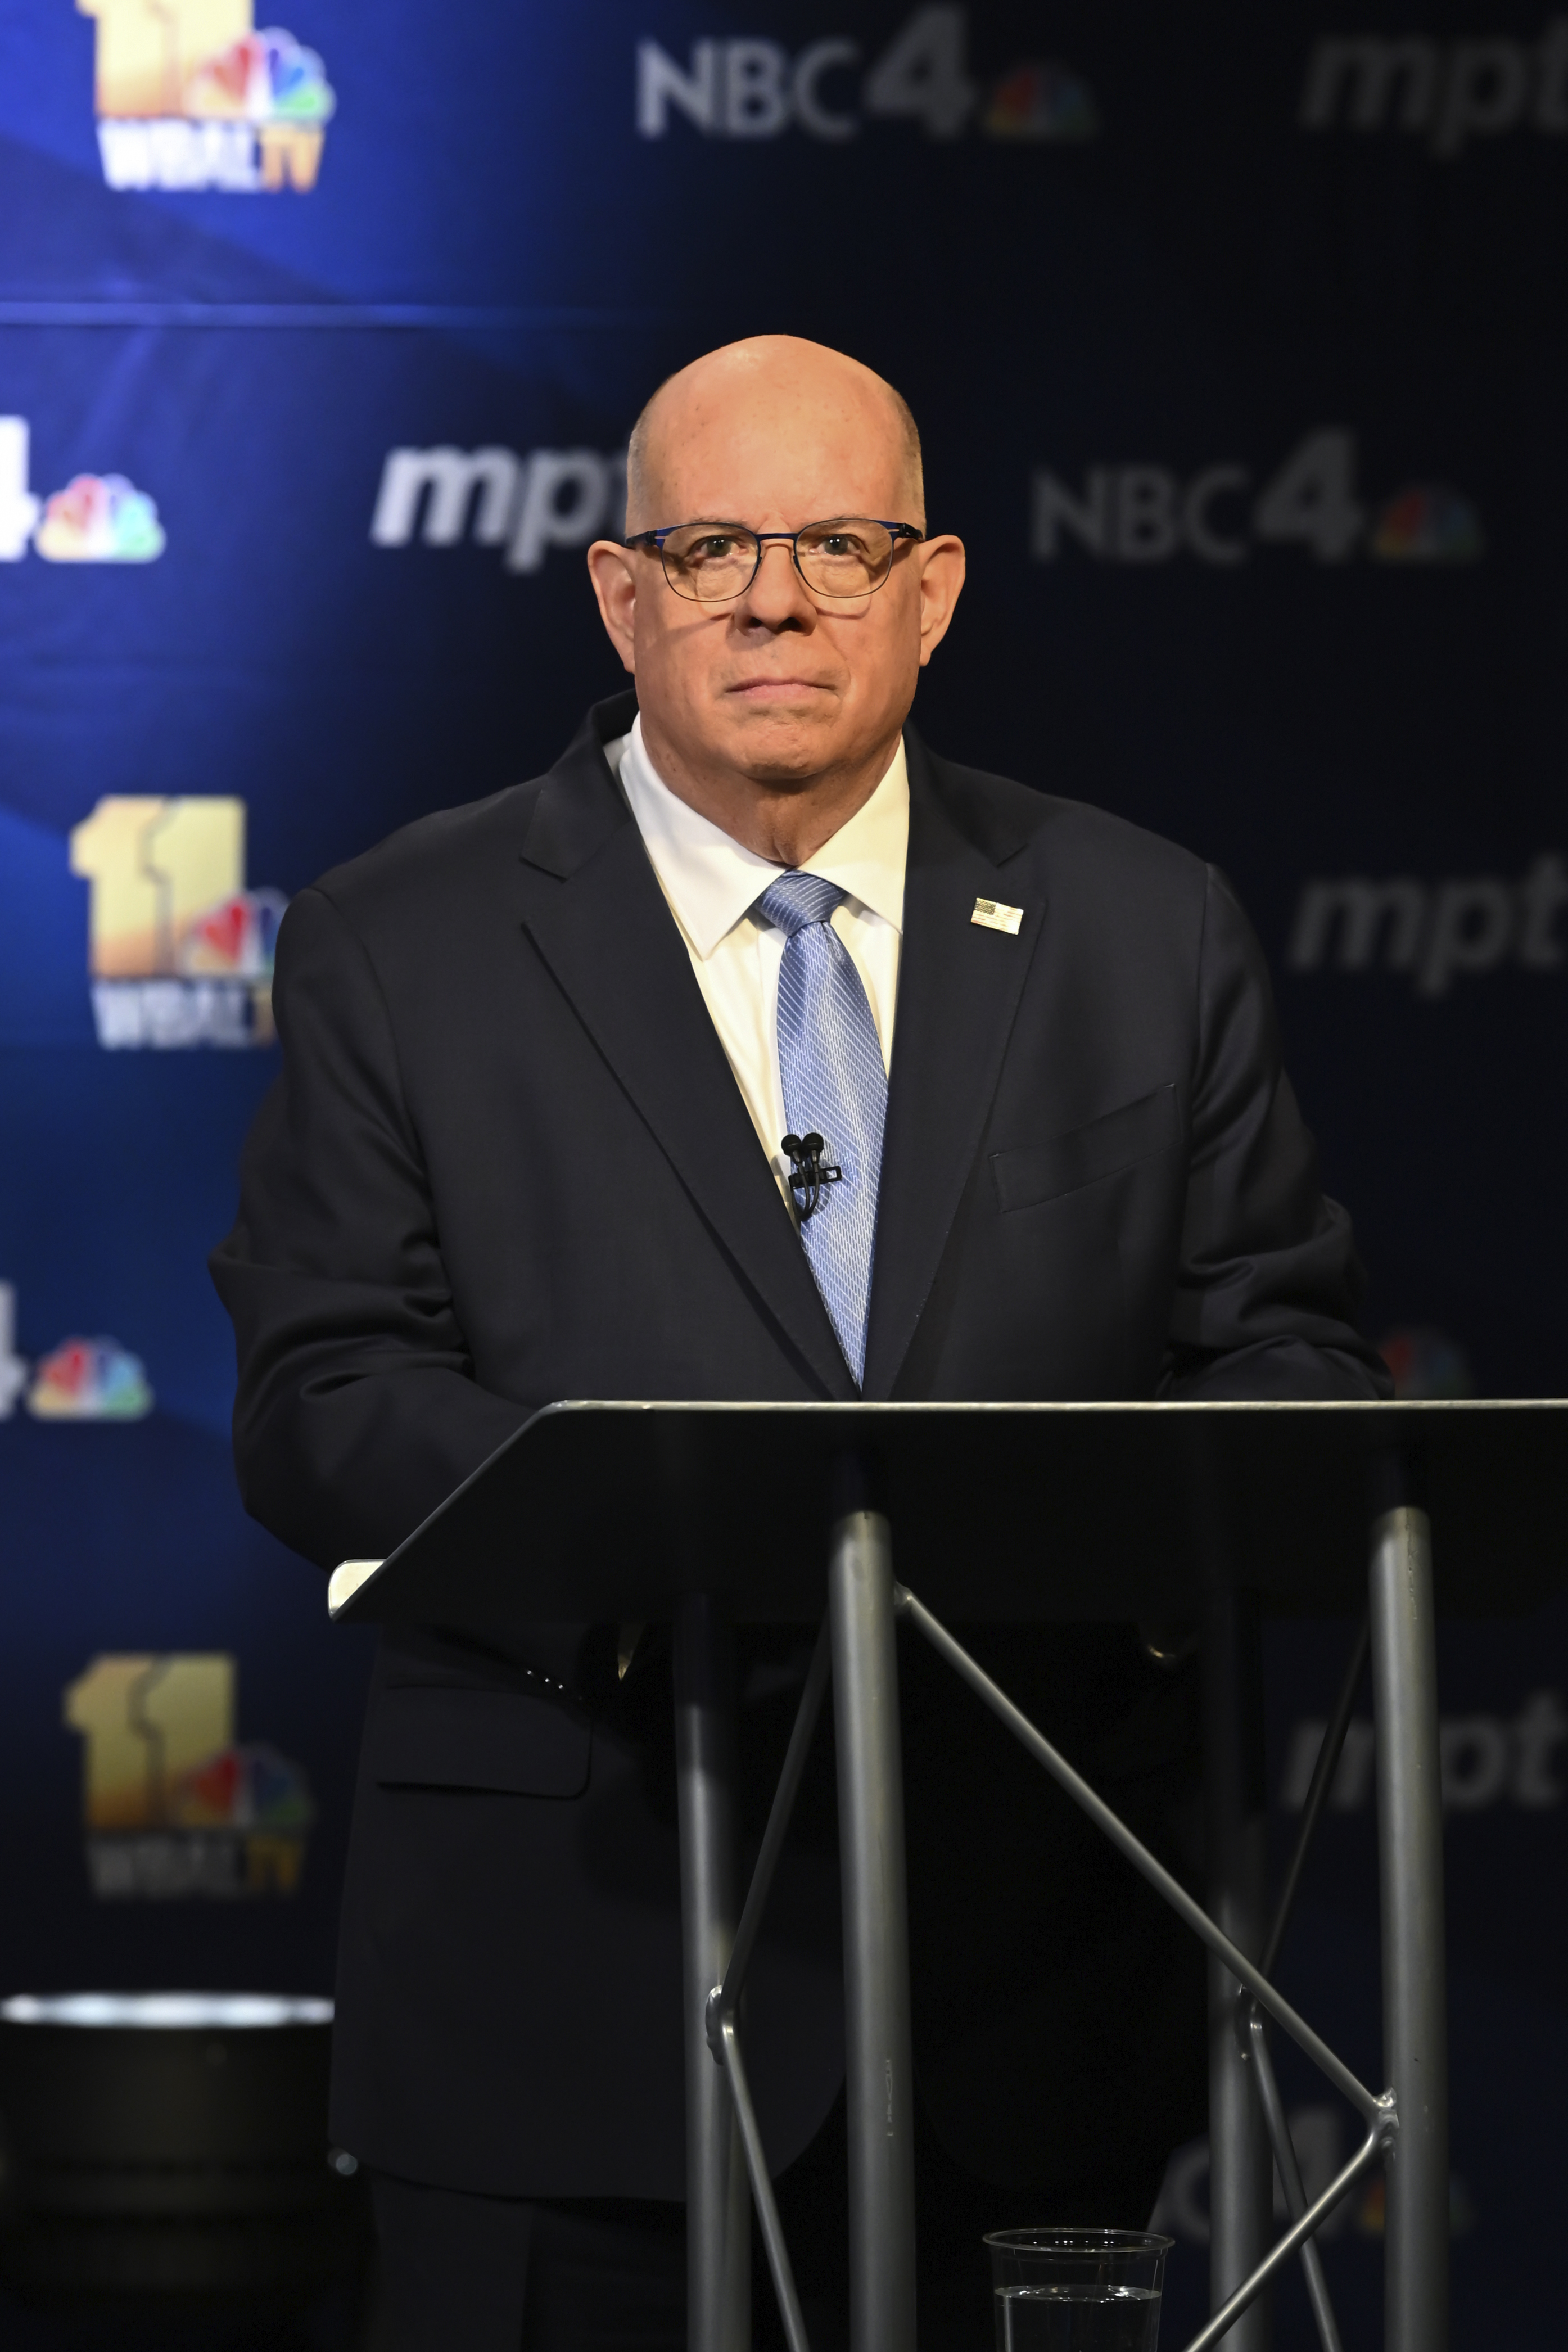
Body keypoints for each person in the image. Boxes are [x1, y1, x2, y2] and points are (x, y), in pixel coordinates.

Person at [211, 336, 1389, 2350]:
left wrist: (1059, 1536)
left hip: (1024, 2022)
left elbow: (1285, 1368)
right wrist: (653, 1540)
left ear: (930, 594)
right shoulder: (400, 940)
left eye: (839, 546)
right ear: (622, 592)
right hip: (569, 1999)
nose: (776, 597)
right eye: (714, 546)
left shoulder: (1141, 928)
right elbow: (326, 1393)